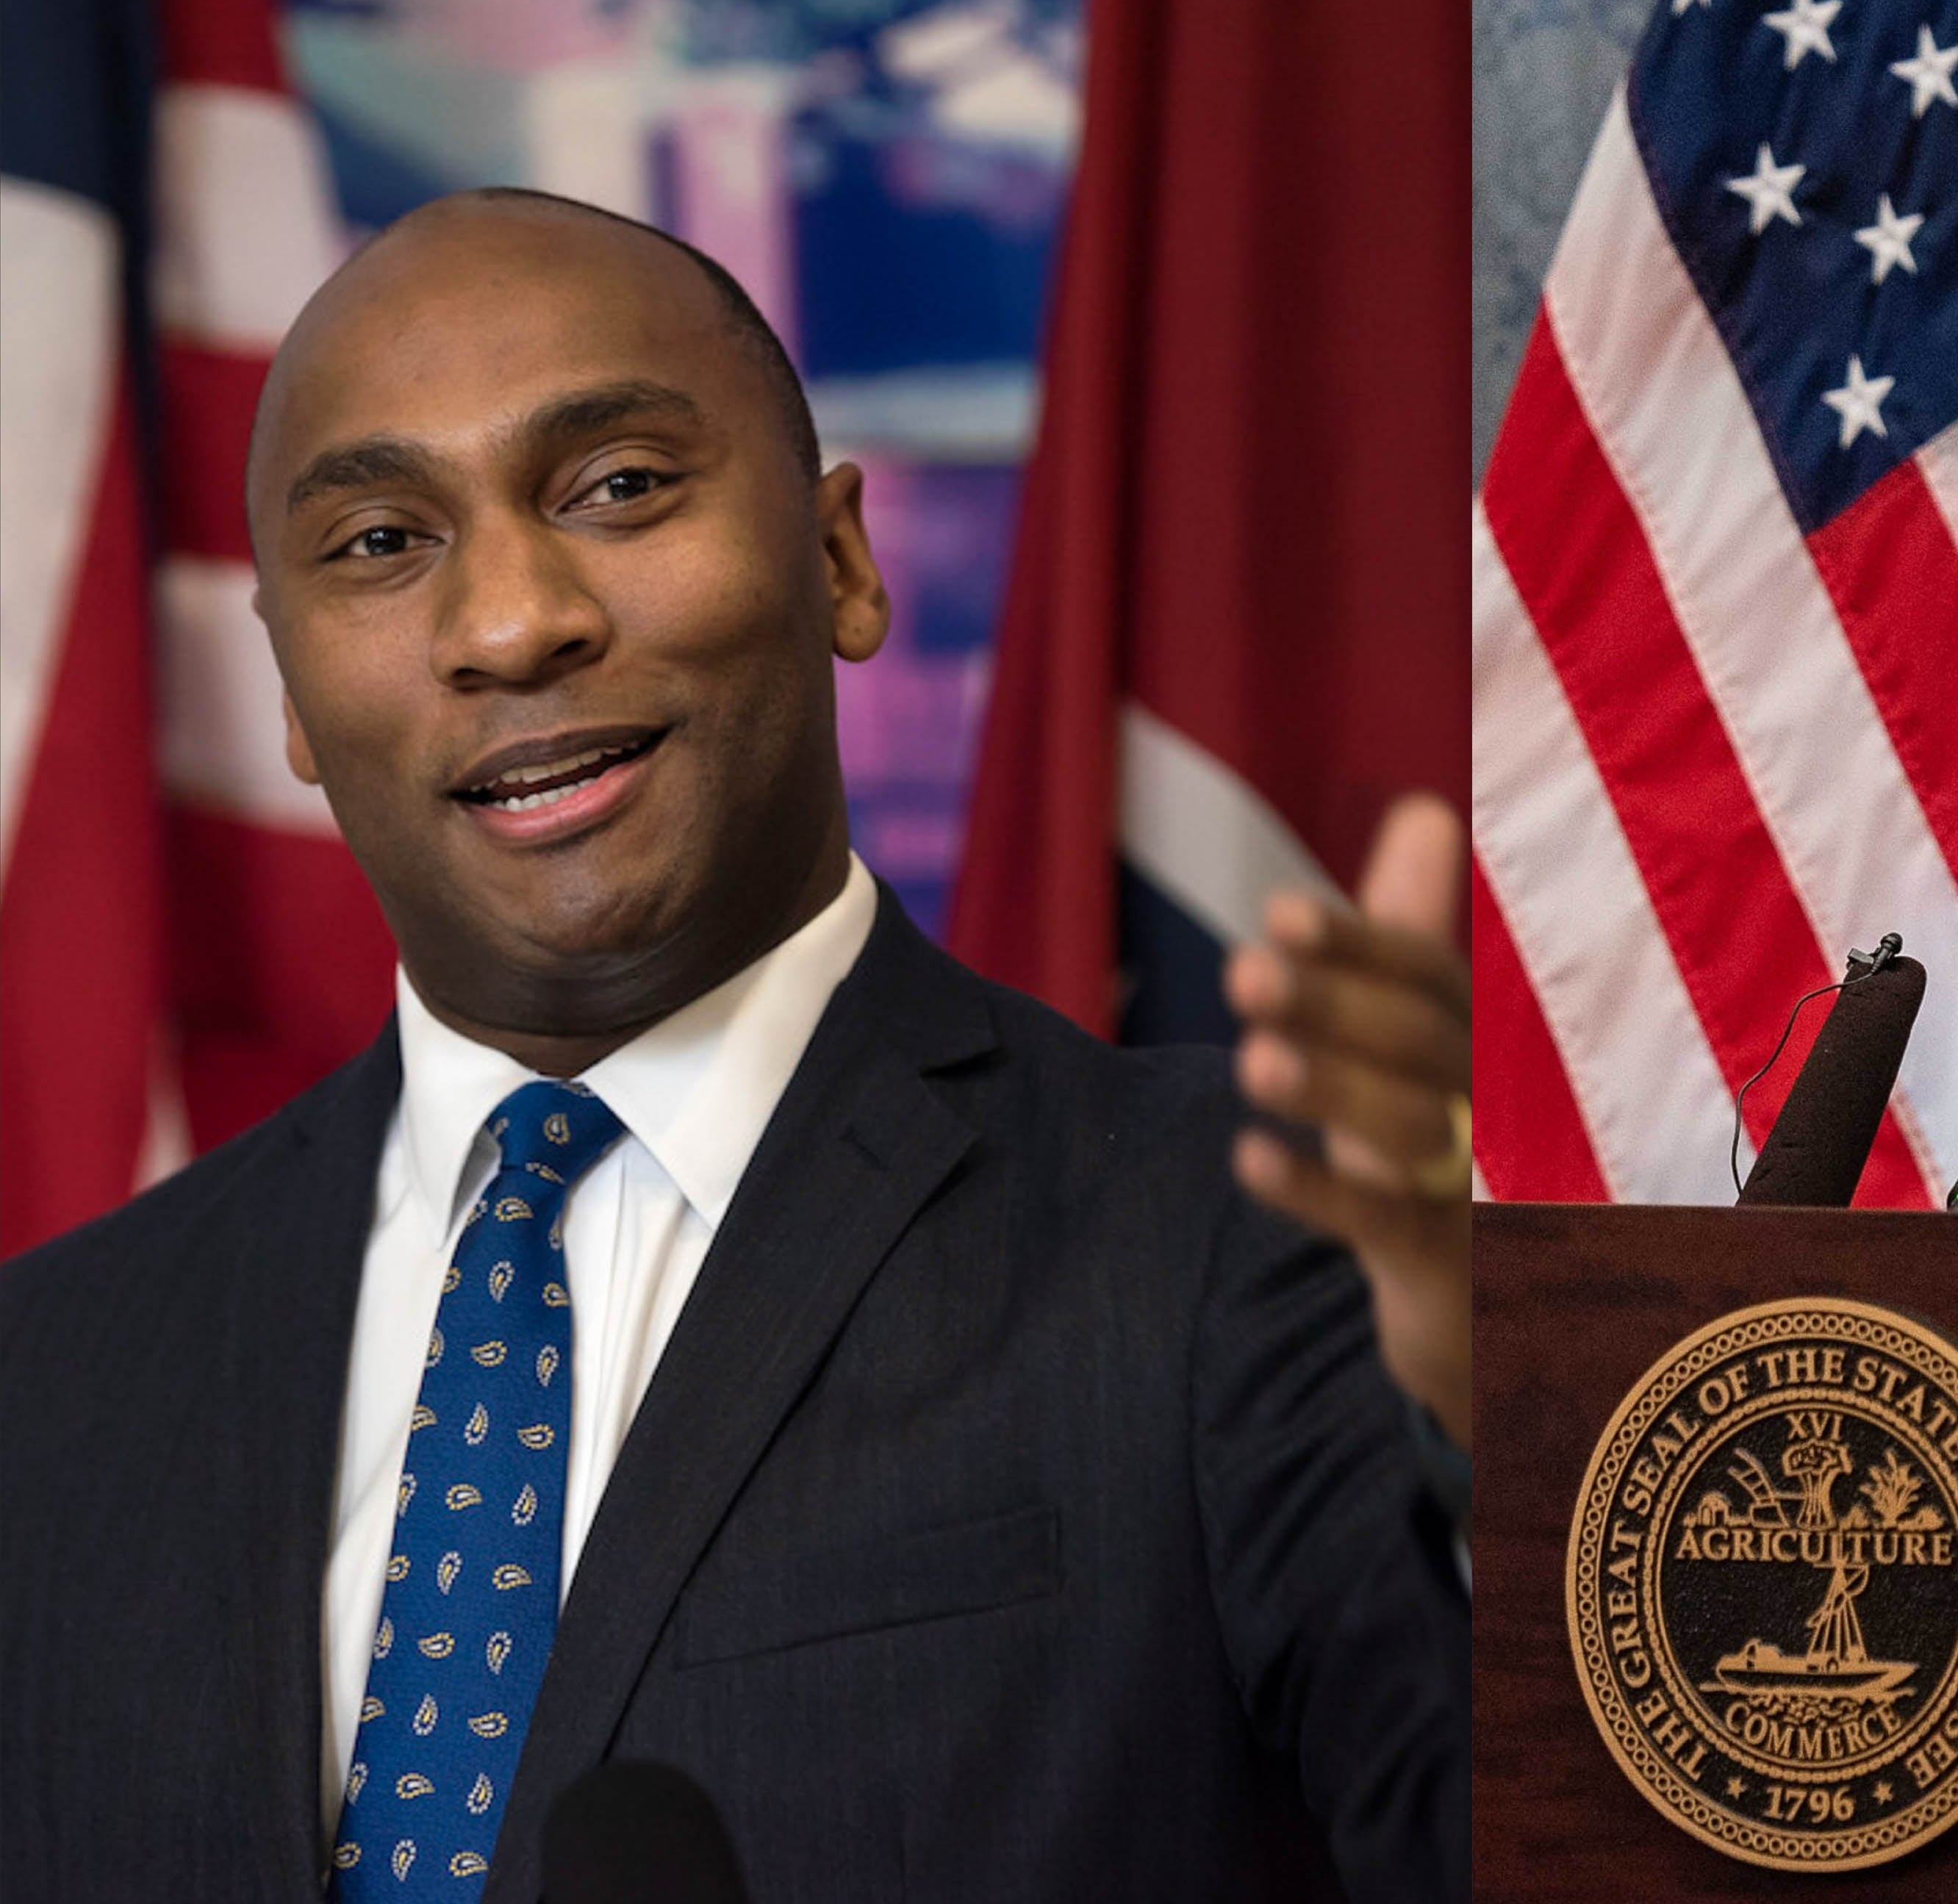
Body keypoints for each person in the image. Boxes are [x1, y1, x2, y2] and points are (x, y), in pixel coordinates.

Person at [0, 188, 1467, 1904]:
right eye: (382, 544)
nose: (509, 622)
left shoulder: (1257, 1242)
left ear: (840, 560)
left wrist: (1482, 1410)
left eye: (615, 488)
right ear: (290, 700)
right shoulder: (52, 1377)